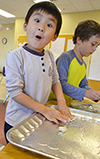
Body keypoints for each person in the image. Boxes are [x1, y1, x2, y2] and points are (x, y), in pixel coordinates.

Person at [4, 1, 72, 143]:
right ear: (25, 25)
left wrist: (61, 101)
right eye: (37, 20)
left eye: (49, 25)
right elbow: (16, 93)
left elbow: (55, 80)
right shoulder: (15, 56)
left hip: (37, 119)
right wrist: (45, 110)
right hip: (16, 121)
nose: (41, 28)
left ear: (54, 36)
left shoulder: (50, 56)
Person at [56, 20, 100, 102]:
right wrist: (85, 93)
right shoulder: (66, 57)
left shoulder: (83, 65)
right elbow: (61, 84)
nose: (94, 49)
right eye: (93, 44)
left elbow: (84, 85)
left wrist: (95, 94)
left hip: (68, 102)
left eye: (97, 46)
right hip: (54, 101)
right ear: (79, 40)